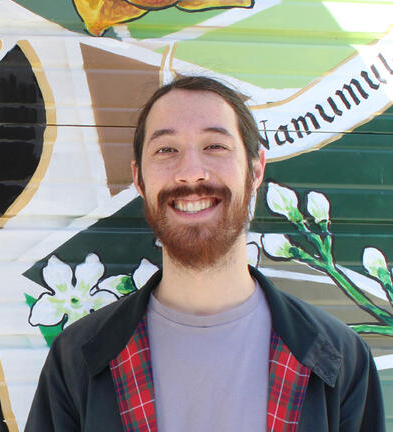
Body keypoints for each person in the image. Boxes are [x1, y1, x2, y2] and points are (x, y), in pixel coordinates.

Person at [25, 77, 384, 431]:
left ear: (256, 169)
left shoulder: (339, 360)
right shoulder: (78, 359)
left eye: (215, 146)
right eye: (166, 150)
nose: (191, 172)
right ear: (139, 179)